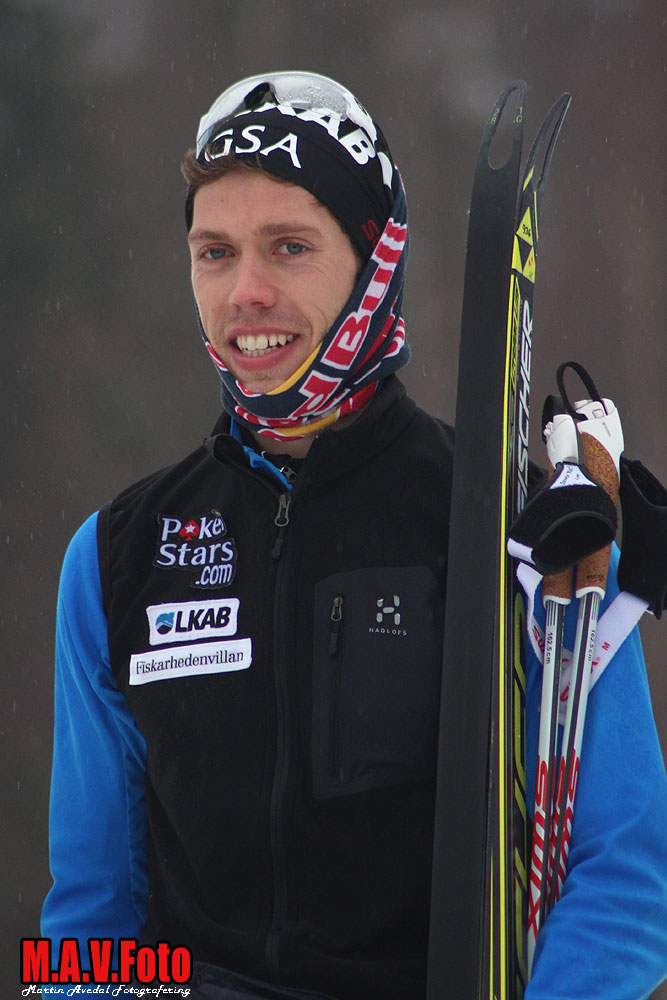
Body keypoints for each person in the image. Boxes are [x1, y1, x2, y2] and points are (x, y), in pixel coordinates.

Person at [41, 72, 667, 1000]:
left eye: (288, 247)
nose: (245, 291)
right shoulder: (115, 555)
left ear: (375, 263)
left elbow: (628, 881)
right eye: (214, 252)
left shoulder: (530, 532)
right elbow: (88, 911)